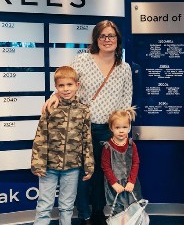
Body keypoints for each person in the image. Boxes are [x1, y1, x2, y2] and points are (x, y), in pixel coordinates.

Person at [43, 20, 133, 225]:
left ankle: (99, 212)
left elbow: (127, 101)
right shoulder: (82, 60)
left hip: (108, 131)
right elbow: (66, 83)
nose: (107, 40)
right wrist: (54, 96)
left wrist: (123, 129)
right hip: (80, 126)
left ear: (118, 40)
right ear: (96, 39)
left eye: (111, 36)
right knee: (82, 172)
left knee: (103, 172)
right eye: (103, 36)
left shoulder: (124, 67)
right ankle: (84, 213)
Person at [31, 66, 94, 225]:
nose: (66, 89)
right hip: (49, 167)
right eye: (61, 85)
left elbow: (87, 139)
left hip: (72, 167)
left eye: (69, 85)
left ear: (77, 85)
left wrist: (89, 165)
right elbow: (40, 136)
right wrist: (38, 163)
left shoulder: (84, 110)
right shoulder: (50, 107)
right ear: (56, 87)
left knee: (66, 206)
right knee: (44, 205)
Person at [101, 106, 142, 215]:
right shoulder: (107, 146)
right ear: (111, 128)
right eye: (117, 127)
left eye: (124, 127)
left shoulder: (131, 145)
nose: (121, 131)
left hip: (130, 183)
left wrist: (131, 182)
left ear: (129, 128)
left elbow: (135, 163)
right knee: (118, 211)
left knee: (132, 208)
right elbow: (105, 166)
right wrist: (114, 184)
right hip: (115, 185)